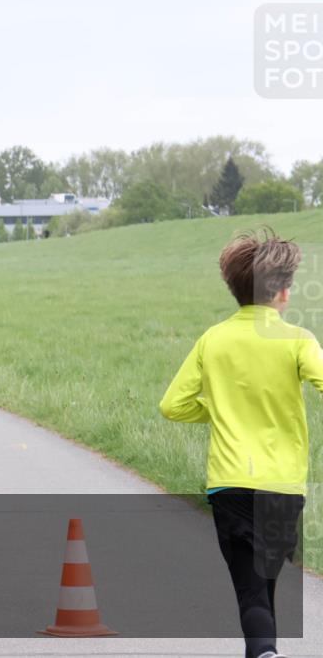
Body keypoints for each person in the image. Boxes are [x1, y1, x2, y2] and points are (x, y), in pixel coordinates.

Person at [160, 229, 323, 658]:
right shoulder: (298, 340)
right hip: (283, 485)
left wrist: (219, 410)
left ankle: (264, 651)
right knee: (264, 585)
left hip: (230, 484)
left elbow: (172, 406)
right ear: (283, 292)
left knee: (252, 591)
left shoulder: (213, 339)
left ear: (235, 290)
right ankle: (265, 650)